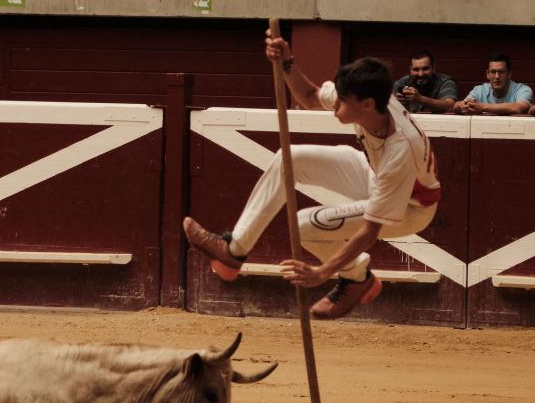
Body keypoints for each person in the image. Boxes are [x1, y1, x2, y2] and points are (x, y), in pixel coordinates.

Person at [183, 37, 440, 319]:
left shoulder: (400, 150)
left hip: (410, 208)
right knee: (289, 158)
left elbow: (369, 232)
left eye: (343, 102)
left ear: (367, 105)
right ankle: (234, 251)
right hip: (376, 174)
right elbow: (309, 95)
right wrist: (286, 63)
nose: (335, 105)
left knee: (303, 225)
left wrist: (322, 273)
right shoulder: (371, 98)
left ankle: (356, 279)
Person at [455, 53, 533, 114]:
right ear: (487, 74)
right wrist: (461, 107)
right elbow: (456, 106)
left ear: (509, 74)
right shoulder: (479, 90)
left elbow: (518, 107)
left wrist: (482, 107)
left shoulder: (523, 90)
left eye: (501, 72)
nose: (497, 76)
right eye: (493, 72)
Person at [392, 51, 460, 112]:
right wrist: (395, 101)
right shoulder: (403, 82)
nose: (421, 74)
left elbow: (450, 105)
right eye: (416, 69)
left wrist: (420, 99)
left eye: (425, 69)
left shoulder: (445, 82)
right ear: (410, 70)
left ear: (433, 68)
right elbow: (387, 102)